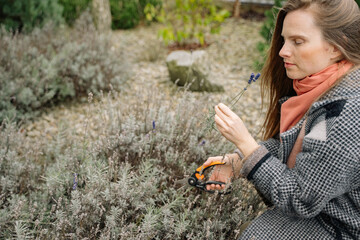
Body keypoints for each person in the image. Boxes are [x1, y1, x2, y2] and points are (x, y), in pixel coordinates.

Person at [203, 0, 360, 239]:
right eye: (285, 40)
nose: (282, 51)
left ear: (337, 48)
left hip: (340, 228)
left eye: (298, 42)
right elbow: (306, 150)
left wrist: (246, 144)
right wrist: (237, 161)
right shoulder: (324, 87)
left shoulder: (345, 111)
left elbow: (301, 198)